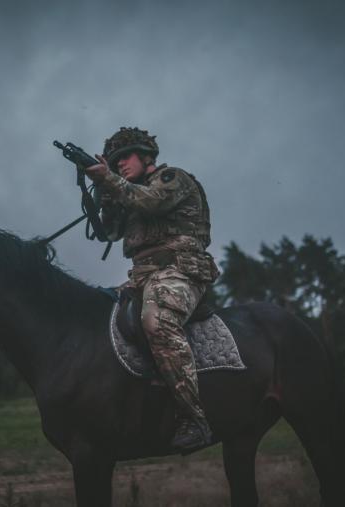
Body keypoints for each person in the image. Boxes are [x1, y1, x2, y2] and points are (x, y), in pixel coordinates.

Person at [83, 127, 219, 452]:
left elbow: (150, 202)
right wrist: (101, 194)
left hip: (180, 269)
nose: (120, 166)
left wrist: (109, 180)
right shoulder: (127, 191)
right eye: (113, 163)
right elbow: (110, 232)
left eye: (124, 158)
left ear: (147, 157)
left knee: (156, 321)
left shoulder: (173, 178)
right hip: (142, 275)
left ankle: (194, 418)